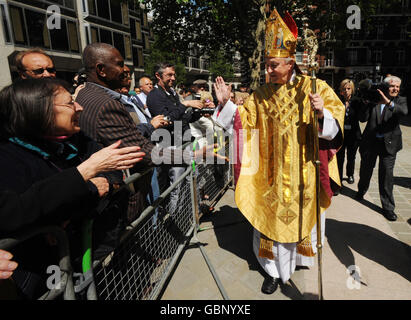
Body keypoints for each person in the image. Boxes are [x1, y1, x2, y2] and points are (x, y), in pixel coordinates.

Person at [0, 78, 145, 299]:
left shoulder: (77, 139)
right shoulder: (8, 156)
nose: (79, 107)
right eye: (69, 103)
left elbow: (113, 172)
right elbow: (15, 212)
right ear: (38, 111)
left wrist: (85, 192)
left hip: (87, 251)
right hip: (42, 273)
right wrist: (87, 174)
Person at [233, 9, 344, 294]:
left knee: (299, 221)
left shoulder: (314, 87)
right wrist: (227, 108)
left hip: (303, 172)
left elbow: (336, 125)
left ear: (290, 62)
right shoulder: (260, 94)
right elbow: (243, 123)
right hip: (269, 173)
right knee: (268, 219)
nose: (267, 71)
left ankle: (296, 265)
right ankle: (271, 272)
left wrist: (322, 115)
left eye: (273, 65)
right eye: (267, 65)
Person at [356, 75, 408, 221]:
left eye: (398, 86)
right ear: (385, 87)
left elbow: (403, 112)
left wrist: (387, 102)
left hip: (390, 145)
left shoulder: (400, 100)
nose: (396, 89)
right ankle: (361, 191)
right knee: (366, 170)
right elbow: (362, 118)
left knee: (386, 176)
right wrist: (366, 102)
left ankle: (388, 208)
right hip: (370, 143)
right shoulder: (373, 99)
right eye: (393, 86)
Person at [335, 79, 362, 191]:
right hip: (340, 134)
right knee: (339, 158)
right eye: (344, 89)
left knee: (351, 157)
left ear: (352, 89)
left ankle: (350, 174)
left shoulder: (357, 101)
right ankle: (338, 179)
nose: (346, 91)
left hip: (353, 134)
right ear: (341, 90)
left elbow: (363, 117)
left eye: (348, 89)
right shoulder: (337, 100)